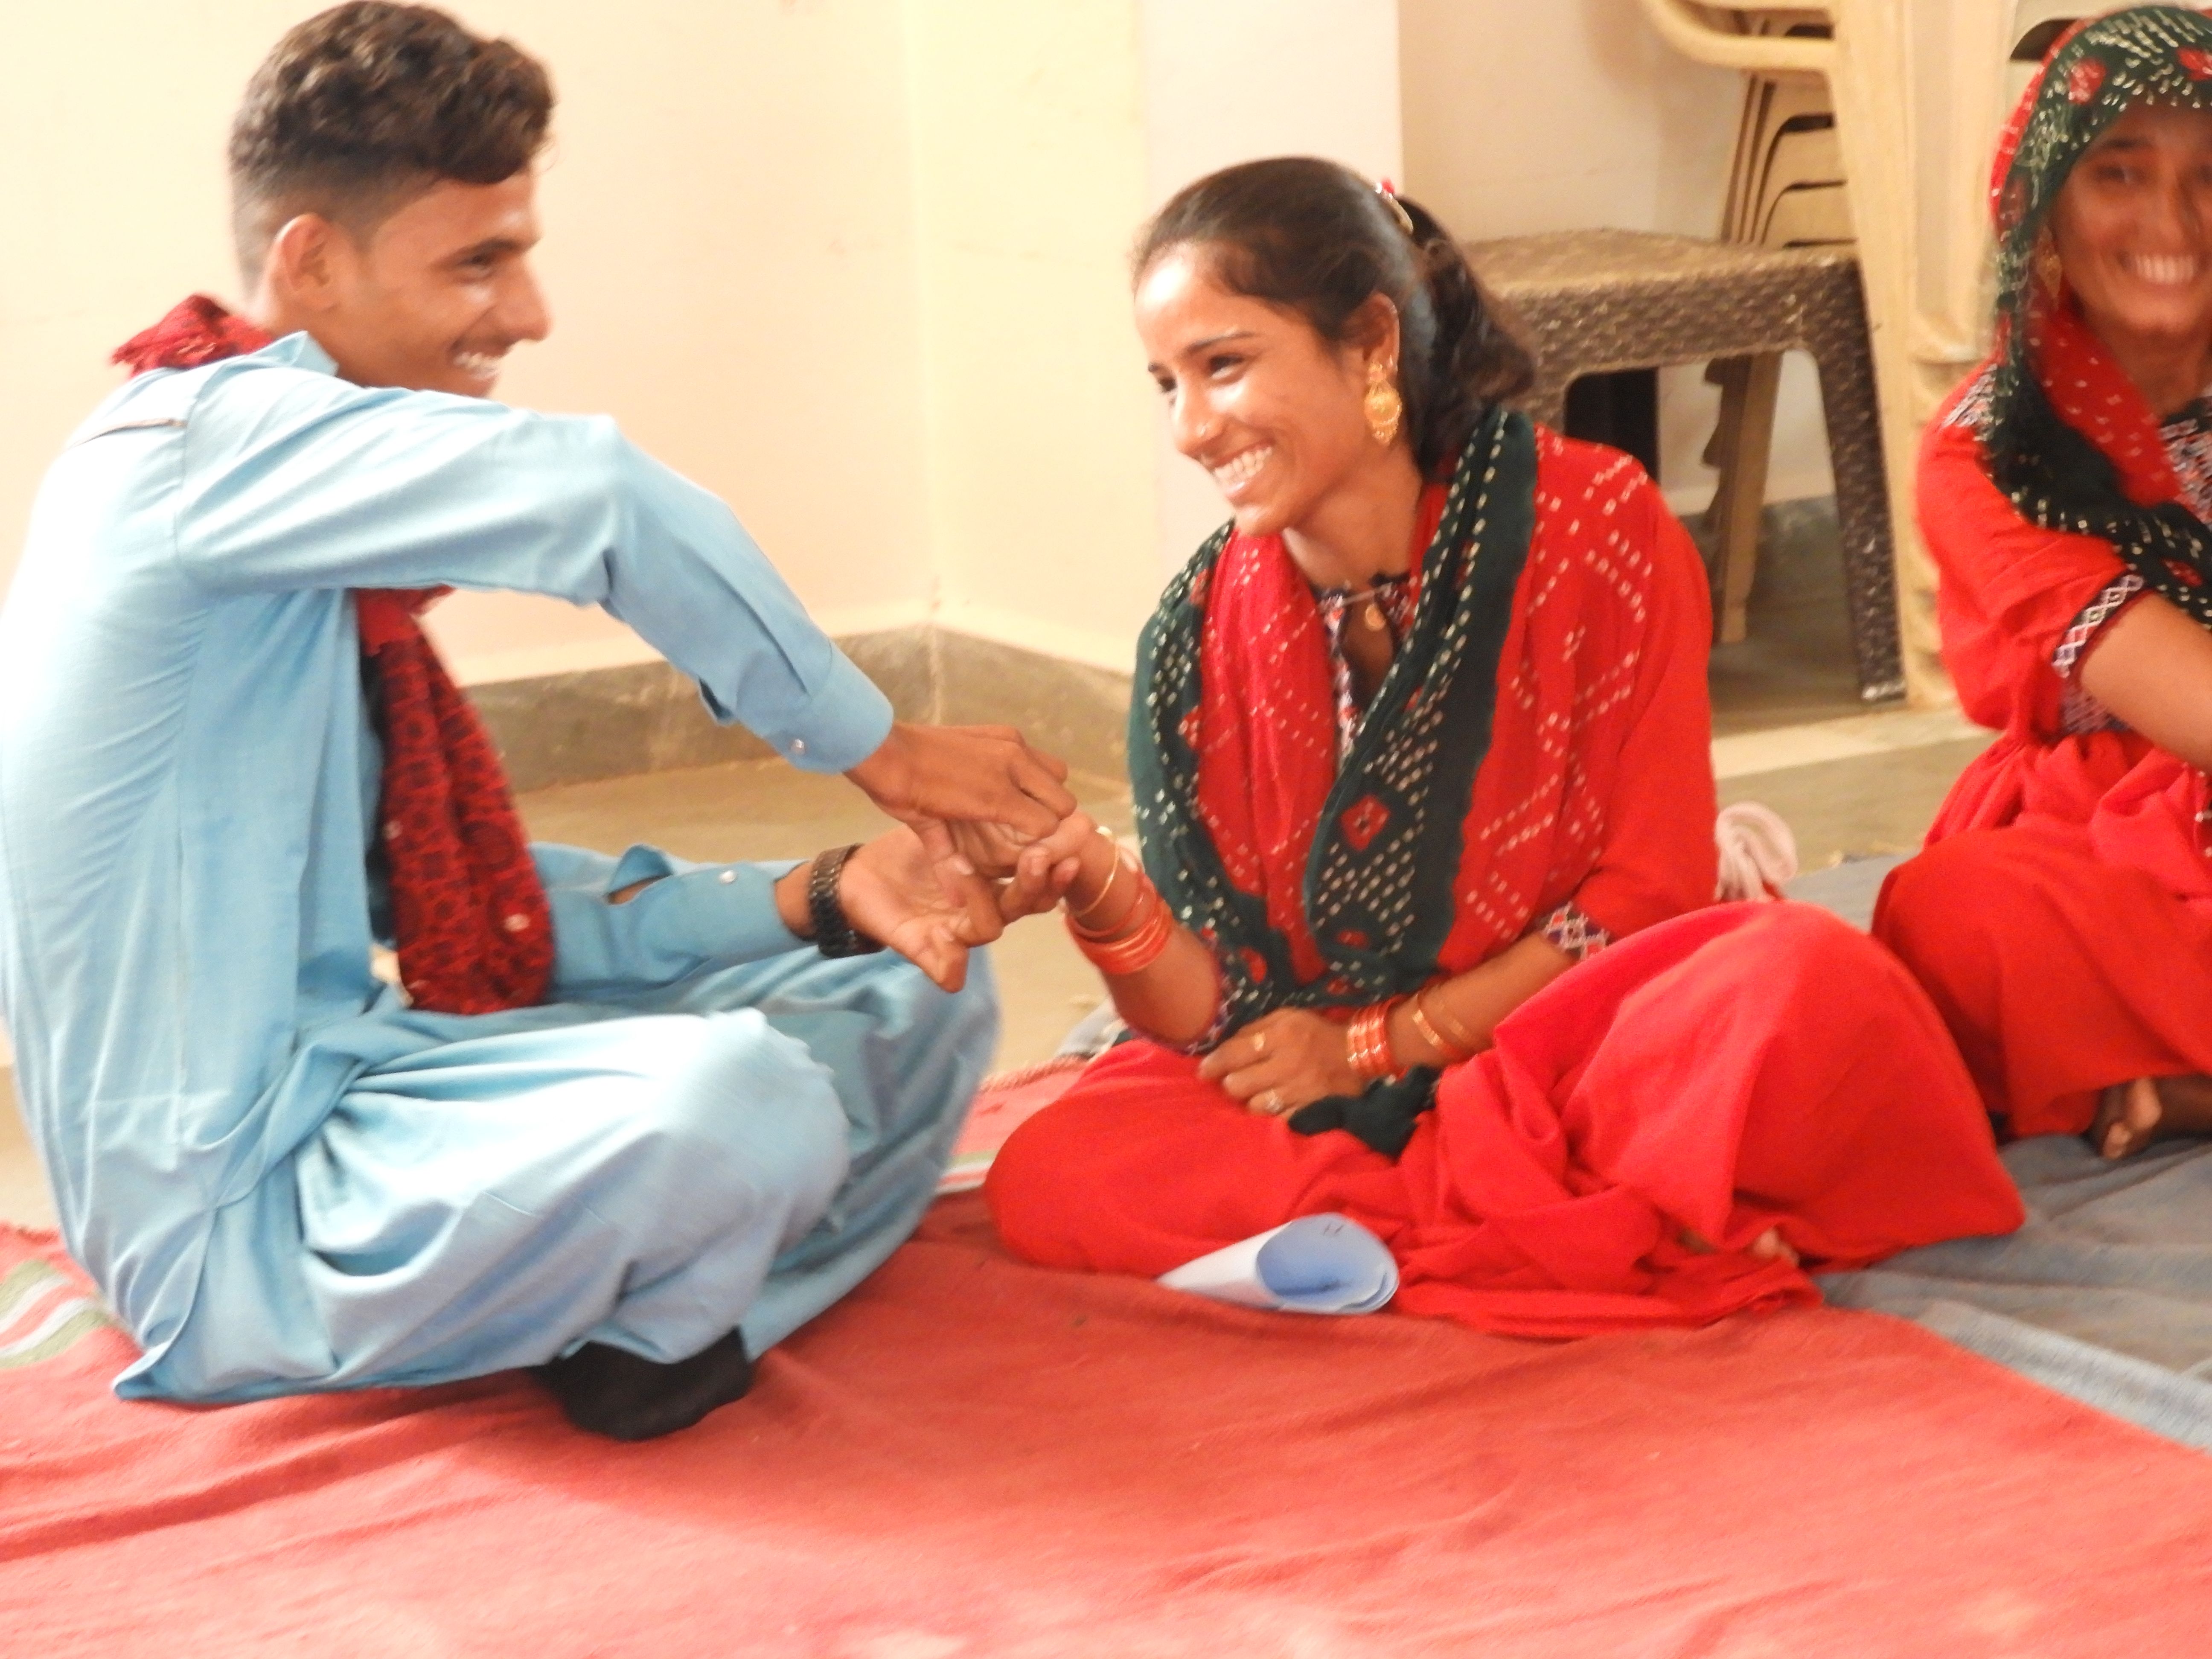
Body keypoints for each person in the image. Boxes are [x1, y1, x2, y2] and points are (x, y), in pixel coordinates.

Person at [0, 2, 1087, 1441]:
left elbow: (476, 909)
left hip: (383, 1083)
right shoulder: (191, 453)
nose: (528, 313)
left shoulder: (303, 533)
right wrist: (883, 748)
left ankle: (663, 1314)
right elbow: (603, 499)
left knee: (909, 988)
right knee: (742, 1101)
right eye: (479, 262)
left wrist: (826, 892)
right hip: (233, 1220)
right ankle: (677, 1313)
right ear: (311, 261)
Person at [982, 159, 2022, 1337]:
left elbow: (1646, 895)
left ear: (1370, 342)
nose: (1190, 428)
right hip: (1323, 1095)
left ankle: (1441, 1220)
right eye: (1167, 382)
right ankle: (1576, 1215)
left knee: (1793, 982)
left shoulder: (1596, 528)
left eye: (1225, 366)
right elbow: (1213, 1021)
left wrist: (1372, 1045)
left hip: (1575, 1036)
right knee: (1055, 1170)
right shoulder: (1194, 634)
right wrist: (1098, 887)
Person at [1874, 8, 2212, 1162]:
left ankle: (2170, 1085)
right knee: (1957, 921)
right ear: (2045, 212)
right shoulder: (1990, 453)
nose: (2172, 220)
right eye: (2120, 173)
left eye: (2211, 176)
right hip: (2106, 849)